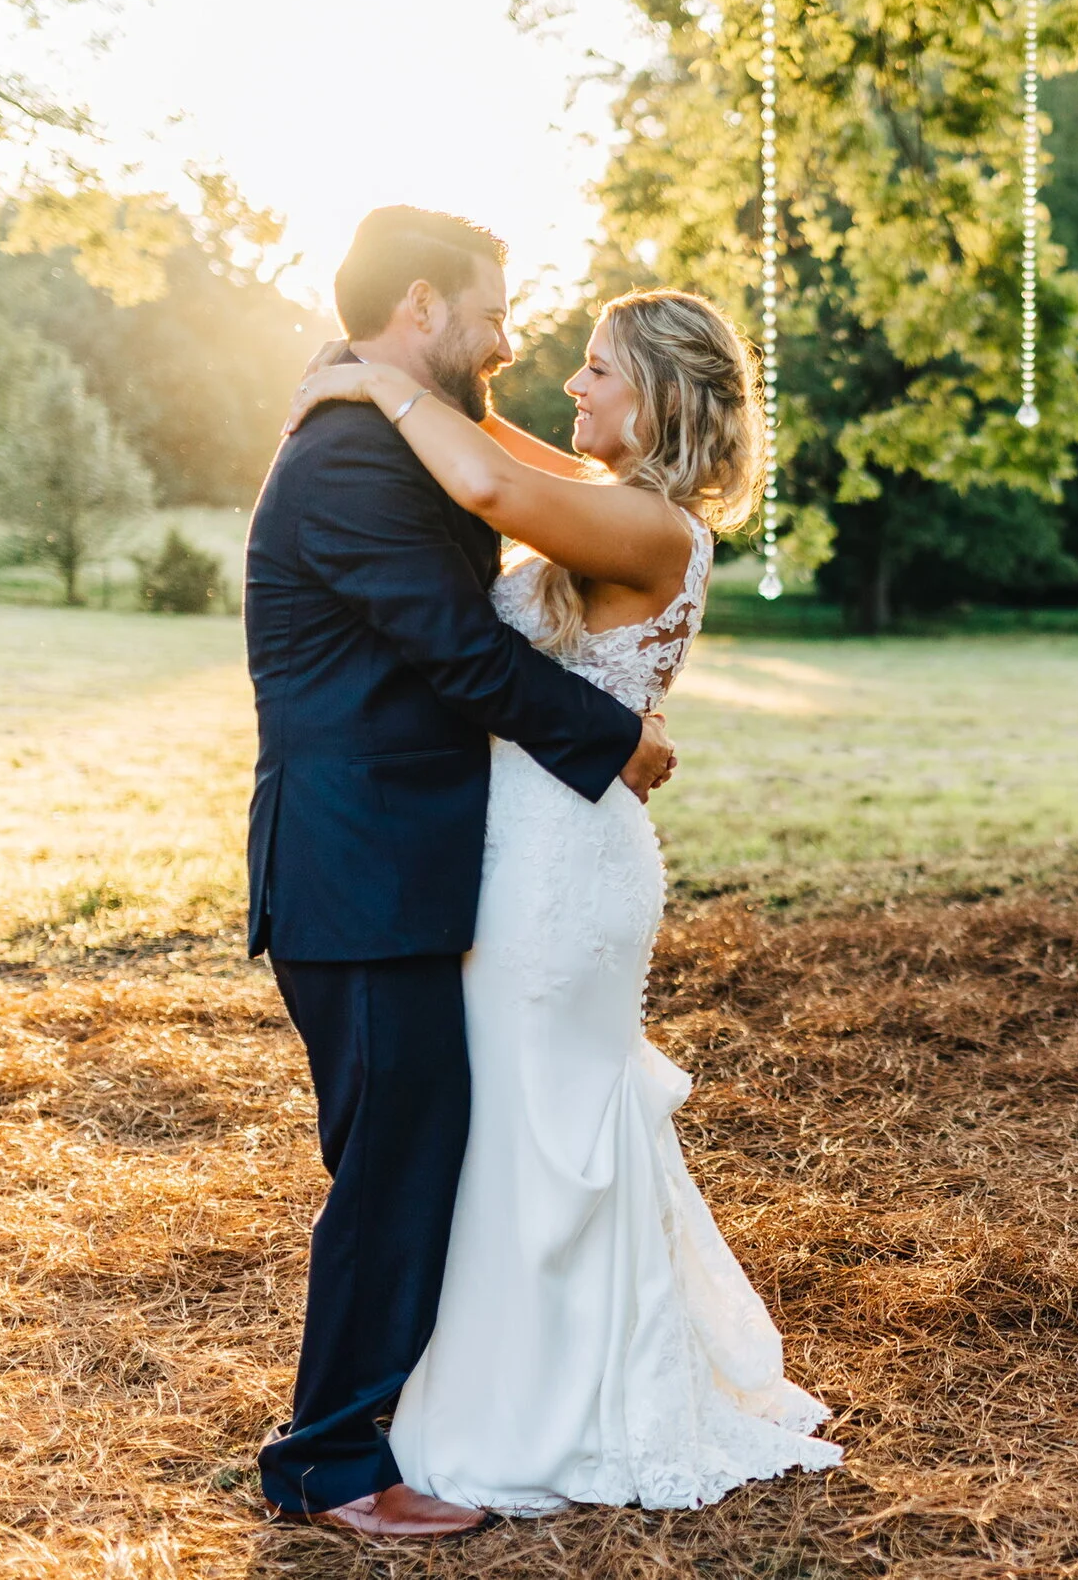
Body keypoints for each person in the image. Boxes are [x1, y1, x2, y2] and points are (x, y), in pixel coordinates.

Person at [278, 281, 842, 1517]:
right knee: (508, 1130)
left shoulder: (652, 532)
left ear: (658, 400)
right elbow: (511, 458)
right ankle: (488, 1383)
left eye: (599, 370)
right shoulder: (612, 506)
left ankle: (548, 1407)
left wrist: (379, 383)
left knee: (546, 1128)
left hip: (561, 869)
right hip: (513, 848)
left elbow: (484, 487)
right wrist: (412, 388)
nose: (570, 385)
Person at [245, 207, 678, 1535]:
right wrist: (616, 740)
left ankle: (399, 1419)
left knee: (412, 1151)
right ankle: (323, 1466)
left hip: (399, 859)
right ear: (423, 306)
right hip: (357, 866)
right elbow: (457, 649)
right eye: (492, 310)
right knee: (393, 1164)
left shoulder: (391, 430)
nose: (510, 337)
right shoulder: (351, 457)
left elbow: (514, 483)